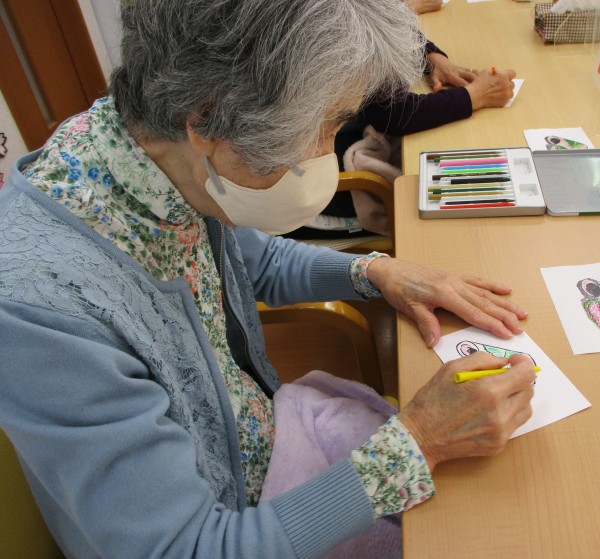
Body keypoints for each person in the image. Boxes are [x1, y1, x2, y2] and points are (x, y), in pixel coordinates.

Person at [0, 1, 535, 558]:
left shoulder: (148, 146)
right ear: (209, 120)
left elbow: (250, 260)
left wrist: (378, 271)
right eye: (323, 127)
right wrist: (419, 444)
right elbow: (188, 548)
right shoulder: (42, 309)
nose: (329, 154)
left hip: (263, 441)